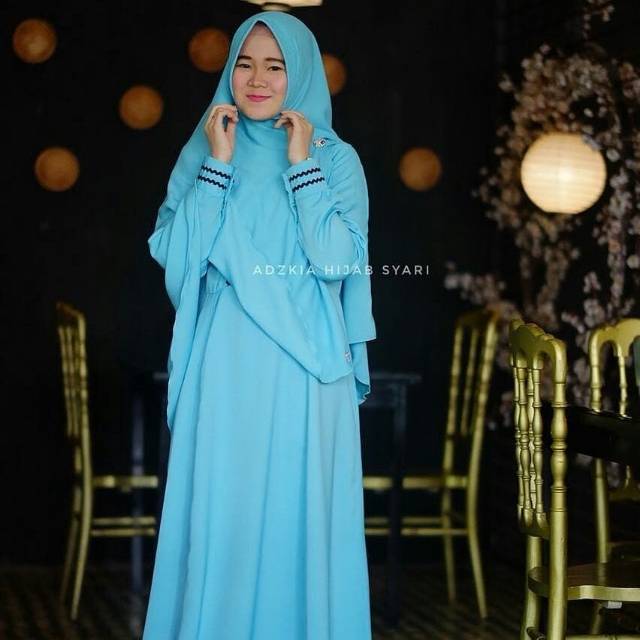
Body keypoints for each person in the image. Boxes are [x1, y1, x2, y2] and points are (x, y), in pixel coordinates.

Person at [143, 10, 376, 639]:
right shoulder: (206, 146)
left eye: (275, 66)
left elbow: (337, 261)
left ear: (299, 74)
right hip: (226, 359)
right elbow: (174, 250)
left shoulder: (336, 159)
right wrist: (217, 165)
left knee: (299, 518)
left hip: (307, 370)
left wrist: (301, 167)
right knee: (227, 513)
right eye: (244, 63)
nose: (256, 79)